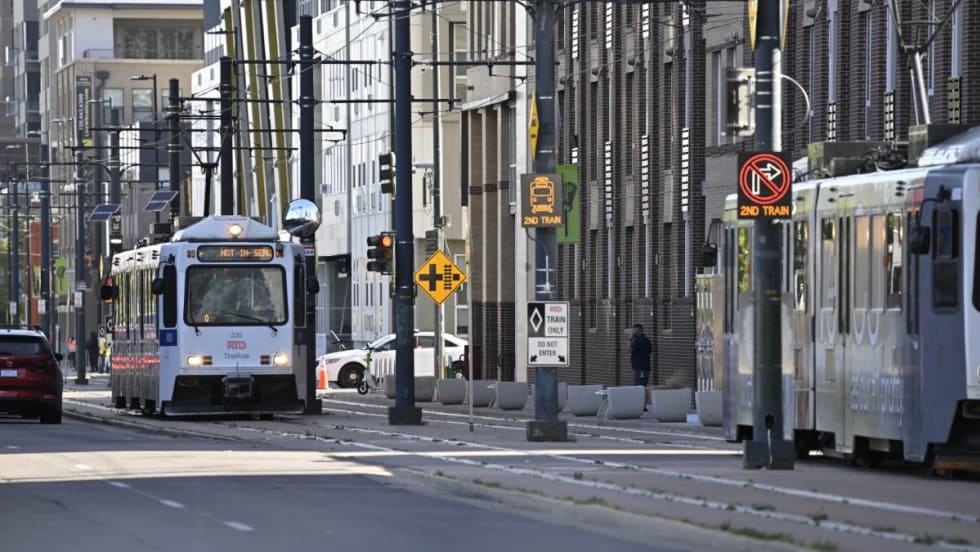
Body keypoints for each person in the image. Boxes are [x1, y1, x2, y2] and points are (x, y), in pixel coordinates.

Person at [630, 324, 652, 406]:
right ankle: (642, 405)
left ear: (640, 331)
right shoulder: (646, 340)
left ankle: (641, 405)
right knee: (642, 387)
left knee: (639, 387)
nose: (633, 333)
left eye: (635, 331)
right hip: (643, 367)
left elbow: (629, 350)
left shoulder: (639, 340)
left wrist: (629, 340)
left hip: (640, 368)